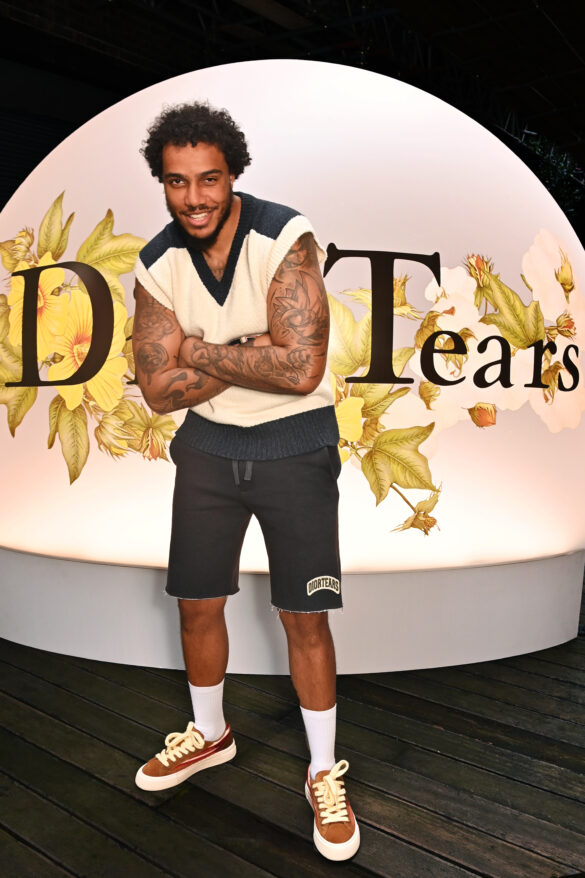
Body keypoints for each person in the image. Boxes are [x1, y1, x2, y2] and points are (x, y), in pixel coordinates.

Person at [132, 101, 360, 862]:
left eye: (208, 179)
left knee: (304, 615)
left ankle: (322, 771)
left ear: (232, 175)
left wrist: (194, 351)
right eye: (177, 182)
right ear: (163, 183)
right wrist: (242, 347)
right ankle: (210, 733)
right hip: (206, 449)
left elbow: (301, 371)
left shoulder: (284, 236)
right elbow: (156, 391)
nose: (193, 197)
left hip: (295, 448)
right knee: (196, 602)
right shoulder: (157, 263)